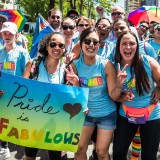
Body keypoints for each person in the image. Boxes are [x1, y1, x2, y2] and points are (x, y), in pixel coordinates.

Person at [65, 27, 123, 160]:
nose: (91, 44)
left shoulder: (106, 64)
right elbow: (72, 96)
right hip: (85, 114)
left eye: (95, 42)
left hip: (106, 114)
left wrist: (119, 84)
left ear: (99, 44)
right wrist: (75, 84)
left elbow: (113, 96)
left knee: (101, 152)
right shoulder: (74, 65)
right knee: (79, 149)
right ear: (81, 43)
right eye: (87, 41)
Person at [22, 32, 75, 160]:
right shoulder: (33, 65)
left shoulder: (67, 68)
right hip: (34, 119)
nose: (57, 48)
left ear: (64, 49)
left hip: (56, 122)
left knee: (55, 157)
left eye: (61, 45)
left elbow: (73, 95)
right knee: (30, 155)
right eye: (53, 44)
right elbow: (22, 90)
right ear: (46, 46)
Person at [112, 31, 160, 160]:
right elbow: (114, 96)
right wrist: (119, 86)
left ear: (137, 46)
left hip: (151, 114)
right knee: (118, 153)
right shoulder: (113, 66)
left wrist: (158, 89)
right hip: (126, 114)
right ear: (118, 46)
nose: (128, 47)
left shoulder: (148, 62)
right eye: (124, 44)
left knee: (149, 156)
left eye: (132, 43)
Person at [0, 21, 30, 160]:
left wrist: (21, 89)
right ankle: (4, 147)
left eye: (10, 33)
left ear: (16, 35)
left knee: (20, 123)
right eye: (4, 32)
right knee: (3, 121)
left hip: (18, 95)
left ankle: (26, 151)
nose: (7, 35)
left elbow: (27, 72)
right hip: (2, 95)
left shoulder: (22, 53)